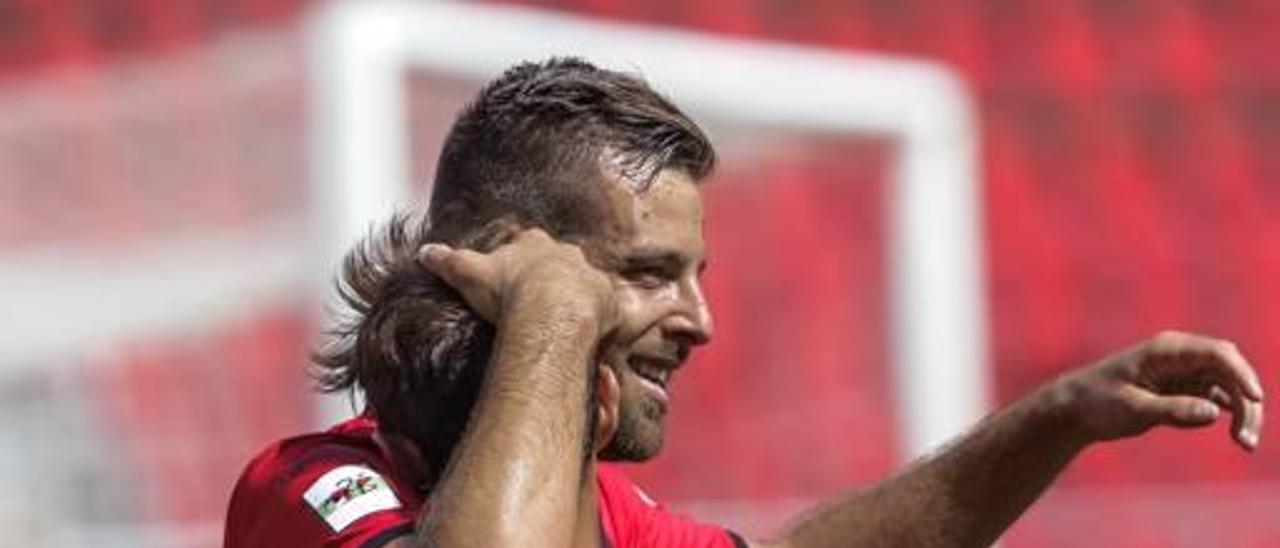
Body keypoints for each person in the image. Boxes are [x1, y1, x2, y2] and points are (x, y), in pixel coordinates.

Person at [224, 57, 1265, 548]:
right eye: (643, 271)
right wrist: (550, 314)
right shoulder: (314, 488)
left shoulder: (611, 521)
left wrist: (1055, 417)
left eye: (697, 275)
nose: (696, 318)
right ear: (507, 263)